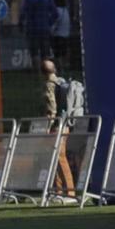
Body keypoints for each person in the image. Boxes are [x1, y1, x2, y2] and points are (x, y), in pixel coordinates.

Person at [40, 59, 78, 200]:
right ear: (55, 69)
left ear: (42, 72)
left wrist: (47, 127)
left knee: (60, 158)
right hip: (65, 124)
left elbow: (51, 108)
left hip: (56, 126)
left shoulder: (49, 85)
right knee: (55, 158)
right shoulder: (61, 82)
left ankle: (69, 193)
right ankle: (59, 192)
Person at [52, 0, 74, 68]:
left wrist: (51, 30)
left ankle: (60, 67)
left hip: (57, 34)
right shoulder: (66, 10)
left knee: (57, 53)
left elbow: (55, 22)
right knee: (64, 51)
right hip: (66, 34)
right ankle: (66, 65)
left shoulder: (57, 11)